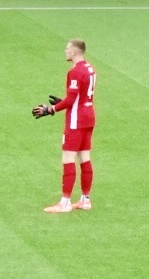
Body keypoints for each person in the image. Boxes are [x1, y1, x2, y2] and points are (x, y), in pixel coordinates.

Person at [32, 39, 96, 213]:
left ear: (75, 52)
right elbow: (80, 97)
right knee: (84, 157)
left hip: (76, 120)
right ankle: (85, 200)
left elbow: (71, 99)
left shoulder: (75, 72)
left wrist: (51, 109)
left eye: (67, 49)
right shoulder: (90, 69)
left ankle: (65, 202)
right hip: (89, 116)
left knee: (68, 158)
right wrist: (65, 103)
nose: (65, 51)